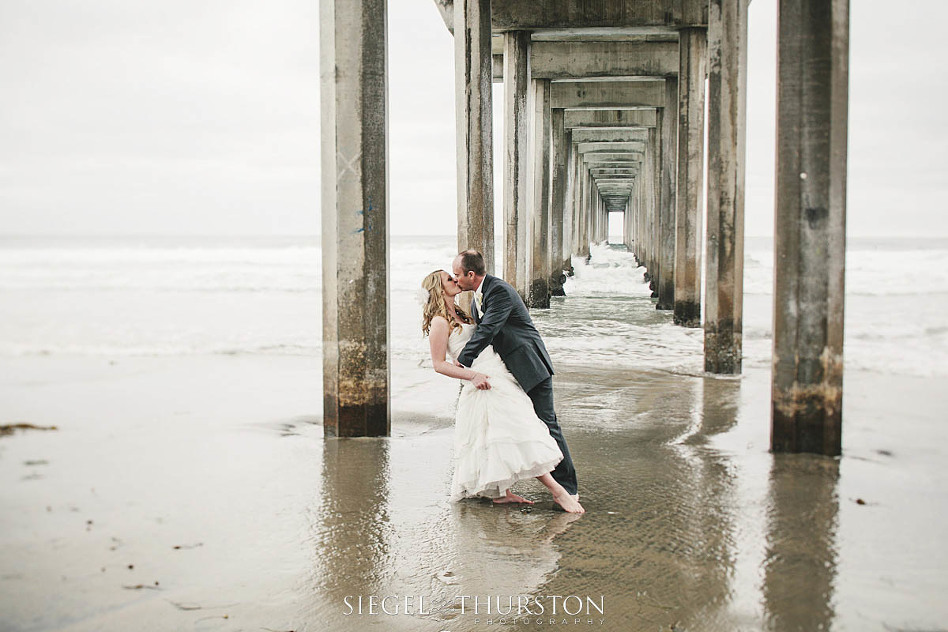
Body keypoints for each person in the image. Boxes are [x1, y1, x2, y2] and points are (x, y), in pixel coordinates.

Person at [421, 269, 585, 514]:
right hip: (483, 380)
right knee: (516, 429)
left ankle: (501, 493)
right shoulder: (439, 321)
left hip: (497, 372)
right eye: (449, 278)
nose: (455, 280)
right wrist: (472, 375)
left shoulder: (464, 312)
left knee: (502, 434)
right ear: (438, 289)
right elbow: (439, 364)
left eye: (455, 275)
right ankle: (558, 490)